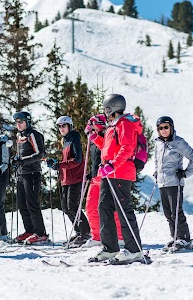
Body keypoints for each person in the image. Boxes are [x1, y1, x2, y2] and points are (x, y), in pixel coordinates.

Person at [88, 94, 144, 263]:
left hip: (120, 171)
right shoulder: (113, 126)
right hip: (108, 172)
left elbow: (127, 148)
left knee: (123, 210)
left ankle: (134, 250)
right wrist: (95, 138)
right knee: (103, 208)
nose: (104, 112)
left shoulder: (125, 123)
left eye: (106, 109)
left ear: (111, 108)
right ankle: (110, 248)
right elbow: (109, 149)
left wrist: (113, 165)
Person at [154, 116, 193, 251]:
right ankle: (175, 237)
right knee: (167, 212)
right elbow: (157, 160)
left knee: (176, 211)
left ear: (171, 128)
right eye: (161, 128)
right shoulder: (158, 143)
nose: (164, 130)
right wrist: (156, 172)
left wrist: (185, 173)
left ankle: (184, 238)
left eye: (166, 127)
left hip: (175, 181)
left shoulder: (178, 142)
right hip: (162, 182)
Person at [47, 116, 91, 247]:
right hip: (66, 178)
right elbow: (66, 160)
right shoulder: (65, 140)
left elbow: (77, 160)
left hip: (76, 178)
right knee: (66, 208)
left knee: (72, 206)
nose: (61, 128)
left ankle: (85, 233)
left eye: (63, 126)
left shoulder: (74, 138)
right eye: (59, 126)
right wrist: (55, 163)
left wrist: (60, 165)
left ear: (69, 126)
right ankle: (79, 232)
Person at [82, 113, 124, 248]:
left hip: (107, 175)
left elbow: (107, 150)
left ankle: (119, 236)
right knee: (90, 207)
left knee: (110, 208)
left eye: (94, 123)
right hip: (96, 177)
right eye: (91, 124)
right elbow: (95, 159)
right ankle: (97, 237)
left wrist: (95, 136)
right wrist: (90, 173)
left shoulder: (108, 134)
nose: (92, 126)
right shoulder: (92, 139)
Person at [12, 111, 48, 244]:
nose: (18, 124)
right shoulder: (19, 135)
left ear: (27, 122)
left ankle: (40, 233)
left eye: (21, 122)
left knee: (32, 204)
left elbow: (40, 154)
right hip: (22, 174)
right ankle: (29, 230)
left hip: (32, 173)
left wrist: (22, 161)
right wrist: (16, 161)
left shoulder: (33, 134)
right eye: (16, 122)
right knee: (22, 204)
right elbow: (20, 155)